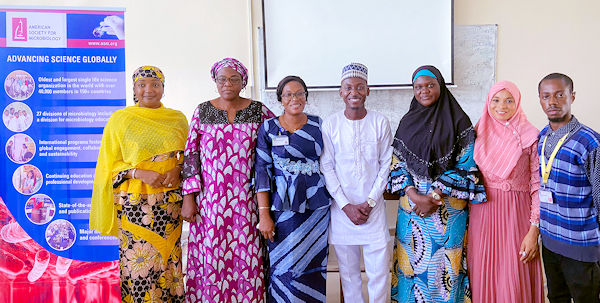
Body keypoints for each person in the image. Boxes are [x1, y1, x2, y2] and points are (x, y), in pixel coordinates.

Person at [89, 66, 189, 303]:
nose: (148, 90)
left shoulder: (177, 118)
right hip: (135, 204)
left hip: (169, 204)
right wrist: (138, 172)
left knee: (170, 263)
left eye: (155, 84)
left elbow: (191, 155)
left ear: (163, 88)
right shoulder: (120, 120)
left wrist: (178, 169)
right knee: (139, 265)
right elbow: (107, 165)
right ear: (134, 89)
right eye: (141, 85)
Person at [388, 65, 486, 303]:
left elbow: (467, 165)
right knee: (411, 267)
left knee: (444, 273)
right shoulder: (407, 121)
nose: (424, 91)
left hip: (447, 209)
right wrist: (414, 194)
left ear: (440, 86)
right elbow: (397, 163)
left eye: (430, 85)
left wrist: (433, 194)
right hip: (412, 209)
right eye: (418, 87)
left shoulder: (460, 121)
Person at [180, 58, 274, 302]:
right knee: (212, 256)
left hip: (248, 201)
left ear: (243, 81)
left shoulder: (259, 111)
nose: (228, 84)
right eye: (222, 79)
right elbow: (191, 156)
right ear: (215, 81)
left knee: (247, 254)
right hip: (210, 202)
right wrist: (188, 198)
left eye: (234, 79)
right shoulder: (202, 111)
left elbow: (275, 146)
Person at [320, 63, 393, 303]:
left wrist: (370, 202)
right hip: (342, 212)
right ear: (340, 92)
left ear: (368, 91)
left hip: (373, 210)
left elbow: (386, 165)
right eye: (348, 87)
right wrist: (345, 205)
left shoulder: (380, 122)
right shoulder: (330, 124)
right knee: (349, 277)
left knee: (379, 275)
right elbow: (327, 166)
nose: (354, 92)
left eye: (360, 87)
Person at [255, 76, 331, 302]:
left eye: (299, 93)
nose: (294, 98)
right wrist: (264, 214)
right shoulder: (268, 127)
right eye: (288, 94)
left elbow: (331, 163)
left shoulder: (319, 124)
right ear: (280, 99)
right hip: (282, 208)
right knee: (283, 265)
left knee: (314, 265)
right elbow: (261, 171)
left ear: (306, 96)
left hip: (316, 207)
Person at [469, 80, 544, 302]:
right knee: (484, 272)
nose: (502, 106)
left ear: (518, 102)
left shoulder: (531, 135)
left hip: (516, 216)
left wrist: (534, 230)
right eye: (496, 100)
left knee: (513, 275)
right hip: (483, 215)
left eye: (509, 100)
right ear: (488, 102)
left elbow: (538, 184)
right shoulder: (478, 132)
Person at [536, 73, 600, 303]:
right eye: (546, 96)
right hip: (551, 242)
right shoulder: (542, 138)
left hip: (581, 245)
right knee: (556, 298)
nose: (552, 102)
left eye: (559, 95)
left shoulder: (590, 142)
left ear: (572, 97)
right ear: (540, 100)